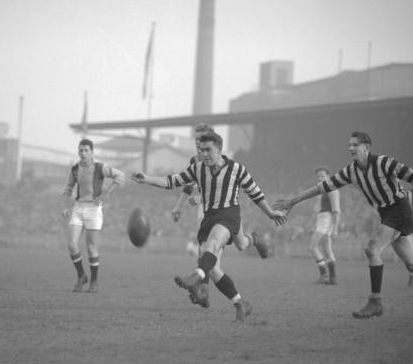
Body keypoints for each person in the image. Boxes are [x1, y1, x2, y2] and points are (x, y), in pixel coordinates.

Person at [273, 130, 413, 321]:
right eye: (349, 145)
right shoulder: (351, 171)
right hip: (387, 214)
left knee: (371, 249)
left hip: (399, 211)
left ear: (366, 147)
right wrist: (293, 201)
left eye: (355, 145)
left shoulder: (384, 162)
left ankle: (375, 301)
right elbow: (322, 187)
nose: (350, 148)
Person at [132, 131, 287, 322]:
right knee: (218, 266)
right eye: (201, 150)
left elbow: (255, 193)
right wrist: (146, 178)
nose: (204, 154)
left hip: (229, 216)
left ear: (219, 149)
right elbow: (172, 181)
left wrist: (270, 213)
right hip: (210, 218)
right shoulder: (198, 169)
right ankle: (240, 303)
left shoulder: (237, 169)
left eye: (208, 150)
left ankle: (195, 277)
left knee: (212, 245)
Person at [170, 123, 271, 306]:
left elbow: (225, 186)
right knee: (220, 249)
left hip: (228, 209)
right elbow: (188, 185)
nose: (198, 142)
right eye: (196, 139)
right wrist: (180, 206)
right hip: (208, 209)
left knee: (217, 248)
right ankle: (204, 291)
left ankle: (202, 288)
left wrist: (195, 201)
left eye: (201, 138)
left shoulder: (222, 160)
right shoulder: (195, 161)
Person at [61, 138, 125, 293]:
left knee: (91, 247)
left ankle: (94, 282)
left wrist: (106, 194)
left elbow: (120, 176)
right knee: (72, 245)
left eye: (86, 150)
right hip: (78, 208)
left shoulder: (100, 167)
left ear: (92, 152)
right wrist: (64, 206)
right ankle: (82, 275)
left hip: (94, 209)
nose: (83, 153)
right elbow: (68, 188)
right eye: (80, 150)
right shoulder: (75, 169)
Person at [309, 166, 341, 285]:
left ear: (328, 176)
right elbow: (316, 210)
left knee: (312, 247)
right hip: (321, 219)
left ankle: (324, 274)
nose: (320, 178)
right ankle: (332, 278)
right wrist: (314, 225)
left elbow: (336, 210)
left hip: (327, 220)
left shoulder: (333, 190)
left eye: (322, 176)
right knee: (327, 250)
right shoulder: (320, 191)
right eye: (318, 176)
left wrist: (335, 228)